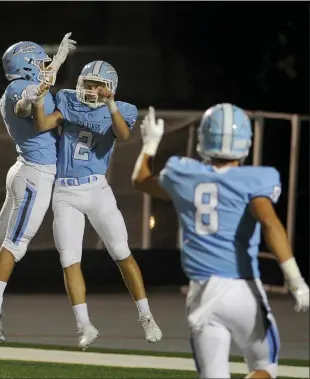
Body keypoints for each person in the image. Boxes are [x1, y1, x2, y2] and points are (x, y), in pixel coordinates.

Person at [131, 105, 309, 378]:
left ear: (204, 139)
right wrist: (295, 279)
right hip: (242, 291)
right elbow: (270, 223)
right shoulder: (255, 180)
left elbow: (141, 181)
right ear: (245, 142)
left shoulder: (184, 175)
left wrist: (151, 144)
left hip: (202, 293)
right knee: (265, 367)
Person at [24, 60, 162, 350]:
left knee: (122, 253)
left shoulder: (123, 109)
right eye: (88, 83)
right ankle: (84, 325)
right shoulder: (66, 100)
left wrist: (110, 105)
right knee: (69, 260)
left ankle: (146, 316)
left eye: (99, 85)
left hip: (97, 189)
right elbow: (42, 124)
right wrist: (38, 100)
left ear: (110, 89)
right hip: (64, 191)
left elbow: (124, 135)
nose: (92, 90)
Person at [0, 34, 76, 343]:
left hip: (24, 169)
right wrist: (32, 96)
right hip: (36, 175)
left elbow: (42, 84)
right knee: (15, 243)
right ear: (27, 66)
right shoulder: (20, 90)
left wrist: (59, 61)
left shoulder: (19, 85)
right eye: (41, 61)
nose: (46, 65)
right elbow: (25, 106)